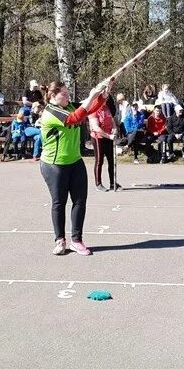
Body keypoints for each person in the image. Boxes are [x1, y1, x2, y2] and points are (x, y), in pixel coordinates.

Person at [39, 80, 109, 256]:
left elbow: (90, 108)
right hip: (54, 164)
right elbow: (74, 118)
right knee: (59, 202)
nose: (67, 96)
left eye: (67, 93)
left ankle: (76, 240)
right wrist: (93, 94)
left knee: (79, 201)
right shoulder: (50, 112)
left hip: (75, 161)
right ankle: (60, 240)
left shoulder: (69, 106)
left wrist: (103, 95)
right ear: (53, 95)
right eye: (64, 93)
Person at [89, 95, 118, 191]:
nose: (105, 100)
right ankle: (98, 184)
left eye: (106, 99)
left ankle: (113, 183)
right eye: (103, 99)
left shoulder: (106, 107)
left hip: (109, 136)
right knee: (99, 161)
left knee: (111, 160)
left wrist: (114, 128)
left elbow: (112, 120)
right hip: (98, 137)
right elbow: (96, 127)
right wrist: (109, 136)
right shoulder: (93, 110)